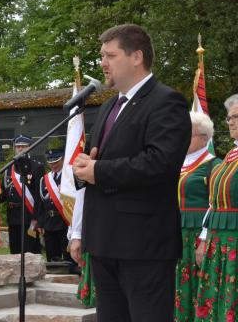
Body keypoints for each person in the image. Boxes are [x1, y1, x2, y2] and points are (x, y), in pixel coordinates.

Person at [72, 24, 191, 322]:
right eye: (102, 56)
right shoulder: (111, 105)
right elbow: (94, 160)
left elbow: (159, 163)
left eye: (110, 55)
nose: (102, 63)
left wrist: (99, 171)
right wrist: (83, 168)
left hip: (143, 245)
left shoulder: (166, 102)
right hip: (104, 241)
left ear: (136, 57)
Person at [172, 112, 220, 322]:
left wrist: (204, 238)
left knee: (196, 285)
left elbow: (215, 204)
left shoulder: (213, 165)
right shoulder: (176, 162)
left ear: (203, 138)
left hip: (197, 234)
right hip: (173, 233)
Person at [194, 94, 238, 322]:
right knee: (218, 300)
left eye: (236, 117)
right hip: (218, 240)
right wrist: (204, 237)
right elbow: (213, 203)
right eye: (230, 117)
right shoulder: (229, 156)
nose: (230, 121)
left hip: (234, 241)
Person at [0, 135, 44, 255]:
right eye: (18, 147)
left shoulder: (37, 167)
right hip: (13, 214)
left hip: (29, 216)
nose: (20, 149)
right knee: (15, 250)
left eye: (23, 147)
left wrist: (36, 218)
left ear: (30, 148)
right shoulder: (9, 168)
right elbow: (4, 194)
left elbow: (39, 197)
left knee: (30, 250)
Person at [36, 148, 72, 263]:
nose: (53, 165)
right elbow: (41, 203)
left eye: (56, 162)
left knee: (68, 256)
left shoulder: (69, 177)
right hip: (49, 222)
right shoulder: (45, 179)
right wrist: (40, 222)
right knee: (51, 256)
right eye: (51, 162)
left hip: (64, 221)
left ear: (62, 160)